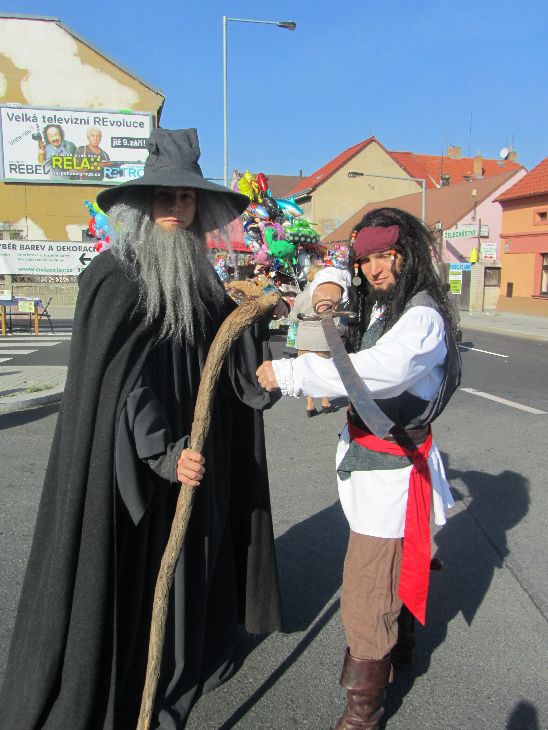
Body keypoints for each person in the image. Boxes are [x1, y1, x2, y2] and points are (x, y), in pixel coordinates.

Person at [0, 128, 282, 730]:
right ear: (144, 202)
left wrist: (254, 322)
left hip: (197, 450)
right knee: (137, 566)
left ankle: (184, 652)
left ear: (199, 206)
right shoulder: (114, 276)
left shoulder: (204, 277)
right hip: (137, 458)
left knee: (190, 557)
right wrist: (162, 452)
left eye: (186, 198)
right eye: (164, 196)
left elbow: (225, 353)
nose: (175, 208)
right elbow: (118, 384)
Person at [257, 208, 461, 729]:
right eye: (366, 260)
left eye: (385, 256)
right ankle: (403, 649)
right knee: (393, 569)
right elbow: (335, 273)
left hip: (391, 476)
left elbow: (381, 370)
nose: (374, 269)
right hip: (375, 466)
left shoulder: (422, 316)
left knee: (368, 590)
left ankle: (362, 714)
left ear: (408, 254)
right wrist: (329, 282)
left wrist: (291, 373)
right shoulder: (388, 304)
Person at [290, 263, 337, 417]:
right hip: (323, 336)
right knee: (325, 370)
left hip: (304, 338)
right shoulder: (327, 296)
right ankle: (325, 401)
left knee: (306, 371)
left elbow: (293, 317)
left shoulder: (301, 296)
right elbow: (335, 319)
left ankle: (310, 404)